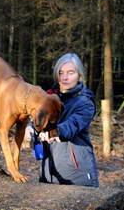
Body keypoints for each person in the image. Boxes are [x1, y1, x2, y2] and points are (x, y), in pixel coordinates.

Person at [39, 53, 99, 187]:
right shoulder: (48, 98)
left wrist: (53, 133)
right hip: (48, 171)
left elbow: (71, 126)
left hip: (77, 174)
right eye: (61, 72)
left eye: (70, 72)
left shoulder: (85, 102)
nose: (64, 77)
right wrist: (30, 129)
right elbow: (37, 122)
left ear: (79, 75)